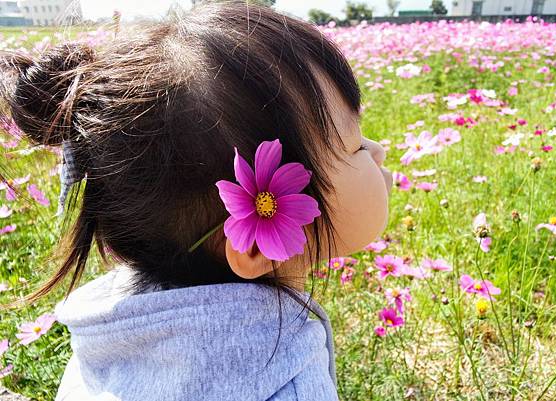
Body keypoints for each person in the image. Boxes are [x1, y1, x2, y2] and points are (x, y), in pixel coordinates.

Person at [0, 1, 392, 400]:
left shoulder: (107, 334)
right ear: (253, 245)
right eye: (354, 144)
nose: (377, 150)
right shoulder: (282, 382)